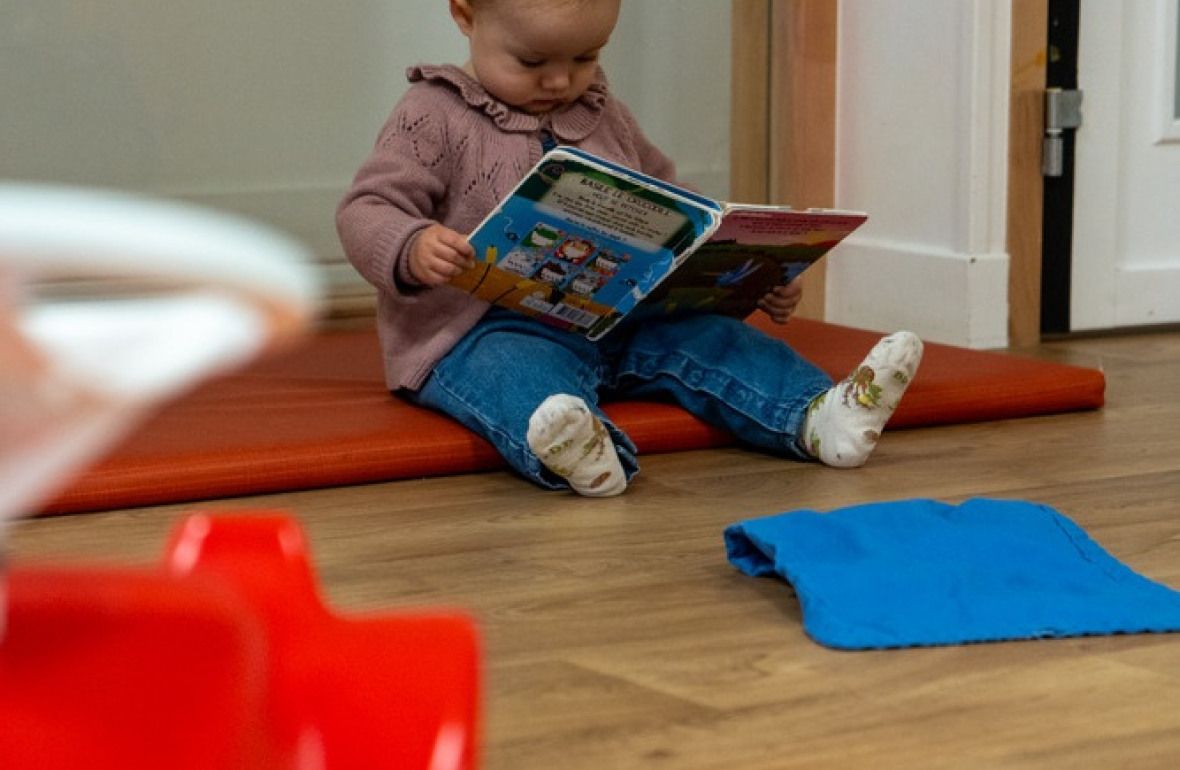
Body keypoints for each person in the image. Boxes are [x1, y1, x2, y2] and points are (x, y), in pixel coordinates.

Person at [337, 0, 923, 497]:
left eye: (586, 57)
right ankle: (580, 449)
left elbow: (679, 207)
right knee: (512, 376)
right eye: (532, 61)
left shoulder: (603, 115)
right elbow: (365, 210)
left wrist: (751, 269)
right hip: (485, 330)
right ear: (464, 13)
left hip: (620, 320)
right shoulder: (432, 114)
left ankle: (819, 416)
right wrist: (411, 246)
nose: (561, 81)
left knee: (716, 341)